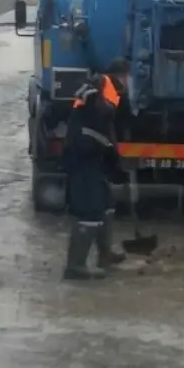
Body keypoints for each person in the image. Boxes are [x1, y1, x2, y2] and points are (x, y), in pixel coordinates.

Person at [62, 58, 130, 280]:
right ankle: (75, 266)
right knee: (89, 208)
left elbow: (108, 133)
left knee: (106, 205)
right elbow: (86, 100)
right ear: (121, 75)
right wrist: (98, 102)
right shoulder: (99, 83)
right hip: (82, 156)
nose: (129, 82)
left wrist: (114, 162)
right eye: (127, 77)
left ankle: (105, 255)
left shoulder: (114, 95)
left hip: (94, 156)